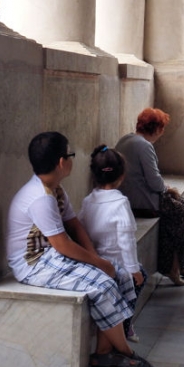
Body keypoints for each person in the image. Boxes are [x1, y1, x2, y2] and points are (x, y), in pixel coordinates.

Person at [5, 131, 157, 367]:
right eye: (70, 154)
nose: (71, 160)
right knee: (103, 285)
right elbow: (62, 244)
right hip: (35, 264)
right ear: (62, 162)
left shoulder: (55, 189)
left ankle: (104, 354)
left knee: (120, 275)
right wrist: (98, 264)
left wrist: (97, 258)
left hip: (52, 255)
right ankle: (126, 354)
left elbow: (74, 225)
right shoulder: (40, 198)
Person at [115, 108, 184, 287]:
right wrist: (168, 188)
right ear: (156, 129)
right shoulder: (145, 146)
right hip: (144, 202)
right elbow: (155, 182)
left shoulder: (125, 140)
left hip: (131, 197)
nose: (162, 133)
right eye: (162, 128)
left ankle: (179, 263)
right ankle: (174, 267)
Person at [78, 145, 146, 344]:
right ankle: (126, 325)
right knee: (141, 278)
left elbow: (81, 228)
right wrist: (134, 270)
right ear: (121, 176)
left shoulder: (88, 201)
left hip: (95, 261)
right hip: (117, 265)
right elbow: (127, 241)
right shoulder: (120, 203)